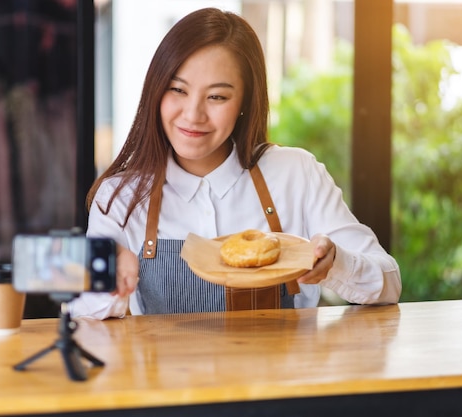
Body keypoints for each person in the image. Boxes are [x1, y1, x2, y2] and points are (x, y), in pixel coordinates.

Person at [70, 7, 401, 319]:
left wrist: (335, 264)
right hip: (170, 381)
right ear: (156, 91)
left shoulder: (295, 174)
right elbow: (77, 316)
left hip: (281, 379)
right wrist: (108, 272)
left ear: (245, 101)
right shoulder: (120, 197)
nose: (193, 114)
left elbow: (388, 282)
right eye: (177, 90)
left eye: (217, 96)